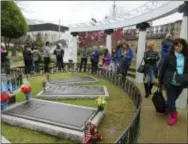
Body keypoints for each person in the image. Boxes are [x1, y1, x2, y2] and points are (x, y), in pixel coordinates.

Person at [159, 38, 188, 126]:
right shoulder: (169, 57)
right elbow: (163, 70)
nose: (176, 47)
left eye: (179, 46)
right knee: (171, 101)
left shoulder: (186, 57)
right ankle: (174, 116)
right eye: (175, 45)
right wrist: (161, 82)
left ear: (184, 46)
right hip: (170, 82)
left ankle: (168, 108)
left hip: (181, 83)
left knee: (172, 100)